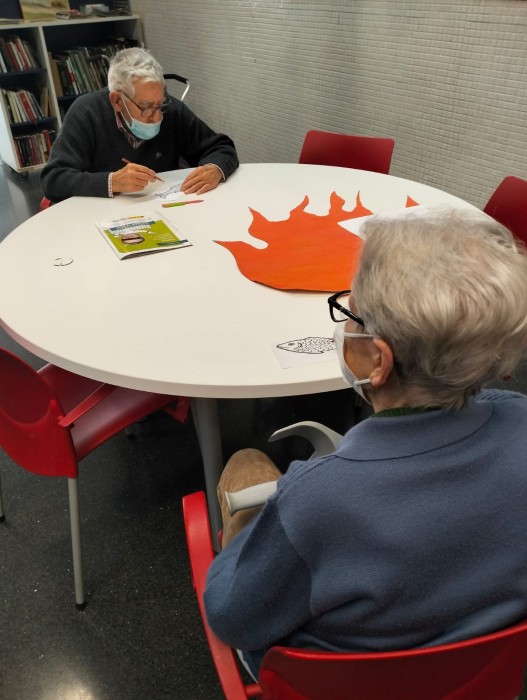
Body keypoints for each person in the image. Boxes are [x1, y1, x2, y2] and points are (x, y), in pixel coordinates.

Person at [203, 207, 527, 679]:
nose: (344, 327)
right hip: (480, 673)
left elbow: (232, 618)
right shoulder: (520, 421)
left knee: (247, 462)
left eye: (351, 314)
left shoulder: (314, 497)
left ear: (378, 360)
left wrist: (246, 542)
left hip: (331, 678)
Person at [40, 47, 239, 202]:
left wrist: (215, 169)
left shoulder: (170, 110)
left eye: (160, 104)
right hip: (101, 217)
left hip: (162, 208)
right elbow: (54, 179)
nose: (157, 117)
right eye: (146, 107)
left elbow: (221, 147)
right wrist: (112, 182)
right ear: (117, 101)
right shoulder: (86, 113)